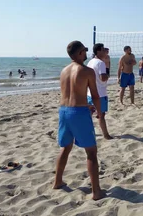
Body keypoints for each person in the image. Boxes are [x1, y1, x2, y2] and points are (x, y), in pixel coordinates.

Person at [53, 41, 105, 200]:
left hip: (64, 111)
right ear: (79, 53)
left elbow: (71, 94)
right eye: (84, 51)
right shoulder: (87, 70)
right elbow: (95, 95)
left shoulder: (64, 71)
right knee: (91, 152)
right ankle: (96, 192)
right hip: (79, 113)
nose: (86, 53)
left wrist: (84, 105)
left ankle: (57, 181)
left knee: (65, 148)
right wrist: (100, 112)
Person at [87, 43, 113, 140]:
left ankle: (87, 132)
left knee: (89, 114)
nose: (104, 51)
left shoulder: (90, 62)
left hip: (90, 93)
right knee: (101, 115)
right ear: (98, 51)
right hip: (100, 94)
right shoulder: (101, 63)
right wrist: (107, 73)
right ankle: (106, 135)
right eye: (103, 50)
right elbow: (103, 78)